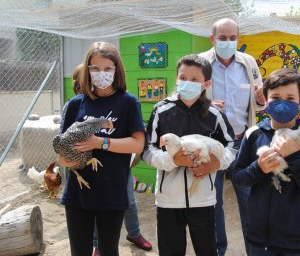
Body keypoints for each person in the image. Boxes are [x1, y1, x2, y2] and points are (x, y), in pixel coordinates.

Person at [57, 41, 146, 256]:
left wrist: (101, 143)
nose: (101, 73)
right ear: (87, 71)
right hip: (79, 191)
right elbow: (62, 147)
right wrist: (65, 160)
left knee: (108, 250)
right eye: (95, 68)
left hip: (112, 191)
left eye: (107, 68)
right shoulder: (76, 104)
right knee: (79, 251)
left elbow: (137, 144)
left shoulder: (128, 102)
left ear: (117, 70)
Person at [143, 54, 236, 256]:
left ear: (206, 83)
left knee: (207, 250)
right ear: (176, 78)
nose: (187, 83)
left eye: (195, 80)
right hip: (168, 200)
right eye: (183, 78)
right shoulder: (161, 110)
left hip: (203, 199)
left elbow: (232, 145)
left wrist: (216, 163)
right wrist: (171, 160)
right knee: (170, 251)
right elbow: (147, 149)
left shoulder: (215, 114)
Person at [231, 68, 300, 255]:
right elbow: (238, 177)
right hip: (258, 237)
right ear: (265, 100)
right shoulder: (253, 134)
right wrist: (258, 168)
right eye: (275, 98)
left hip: (297, 238)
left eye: (290, 99)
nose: (282, 104)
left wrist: (295, 157)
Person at [199, 18, 266, 255]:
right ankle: (218, 249)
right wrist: (203, 104)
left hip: (242, 142)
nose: (228, 42)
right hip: (212, 144)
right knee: (212, 201)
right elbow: (182, 99)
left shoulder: (248, 63)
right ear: (212, 38)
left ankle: (255, 250)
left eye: (232, 38)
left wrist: (261, 101)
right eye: (222, 38)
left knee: (249, 200)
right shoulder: (199, 63)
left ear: (238, 38)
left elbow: (259, 104)